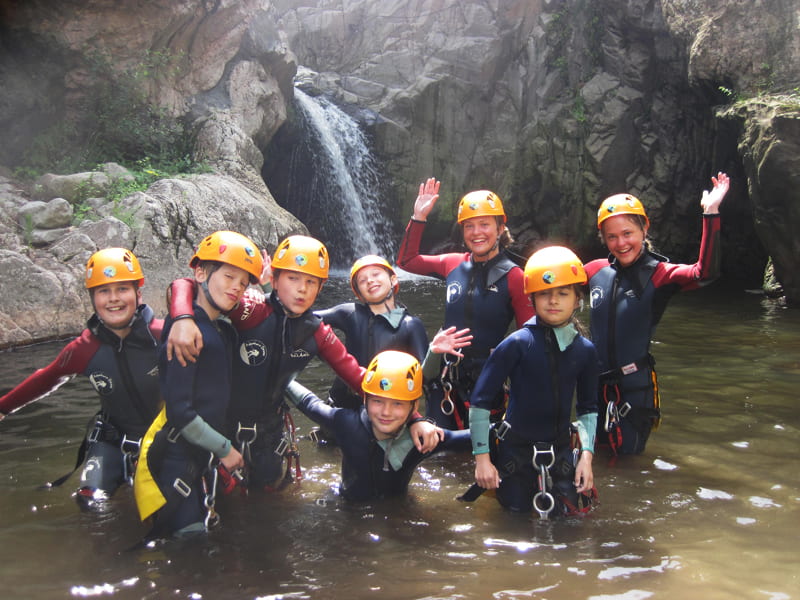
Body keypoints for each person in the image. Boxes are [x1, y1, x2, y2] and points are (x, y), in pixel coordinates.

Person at [165, 235, 441, 491]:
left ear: (321, 287)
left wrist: (415, 418)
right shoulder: (248, 308)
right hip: (219, 428)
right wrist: (182, 318)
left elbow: (360, 378)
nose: (301, 290)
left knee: (268, 512)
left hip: (269, 434)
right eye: (293, 278)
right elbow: (188, 284)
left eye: (311, 282)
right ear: (274, 279)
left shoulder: (317, 333)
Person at [0, 248, 162, 510]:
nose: (113, 299)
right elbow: (47, 379)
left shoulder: (165, 336)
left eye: (122, 289)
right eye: (103, 291)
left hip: (164, 440)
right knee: (90, 504)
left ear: (137, 294)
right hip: (113, 441)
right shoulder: (83, 349)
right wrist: (3, 407)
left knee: (172, 510)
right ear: (92, 299)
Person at [584, 172, 730, 455]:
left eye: (628, 233)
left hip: (634, 387)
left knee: (627, 459)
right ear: (603, 238)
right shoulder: (594, 270)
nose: (621, 243)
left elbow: (705, 272)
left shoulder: (661, 275)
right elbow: (549, 282)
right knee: (595, 460)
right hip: (595, 385)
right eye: (611, 236)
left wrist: (711, 213)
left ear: (644, 230)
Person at [135, 230, 261, 539]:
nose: (236, 287)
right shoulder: (186, 331)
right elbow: (180, 411)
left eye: (243, 283)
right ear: (200, 272)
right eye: (229, 276)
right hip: (179, 460)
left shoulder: (219, 330)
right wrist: (225, 449)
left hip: (200, 457)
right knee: (187, 550)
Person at [469, 246, 599, 518]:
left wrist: (586, 458)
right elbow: (480, 402)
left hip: (561, 452)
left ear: (577, 300)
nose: (553, 301)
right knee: (513, 521)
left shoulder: (585, 350)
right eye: (544, 294)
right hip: (514, 452)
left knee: (567, 524)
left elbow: (588, 408)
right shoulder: (517, 344)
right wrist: (482, 460)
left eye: (563, 293)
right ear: (532, 298)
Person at [397, 179, 534, 429]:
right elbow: (407, 261)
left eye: (484, 224)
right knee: (439, 451)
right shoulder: (453, 263)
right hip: (446, 376)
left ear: (501, 228)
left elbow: (530, 336)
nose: (476, 232)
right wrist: (418, 217)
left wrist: (508, 356)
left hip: (487, 379)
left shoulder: (515, 277)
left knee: (482, 455)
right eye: (469, 226)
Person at [284, 350, 471, 501]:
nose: (386, 412)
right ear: (364, 398)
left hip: (398, 516)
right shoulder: (347, 424)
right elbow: (310, 404)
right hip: (347, 508)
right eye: (378, 401)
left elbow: (469, 438)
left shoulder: (420, 440)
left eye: (397, 403)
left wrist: (498, 431)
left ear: (414, 406)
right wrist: (278, 380)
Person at [315, 255, 429, 411]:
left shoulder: (410, 325)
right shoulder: (349, 313)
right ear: (359, 294)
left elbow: (424, 376)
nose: (369, 280)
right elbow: (303, 318)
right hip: (339, 407)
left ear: (393, 280)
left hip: (385, 410)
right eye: (362, 280)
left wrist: (435, 352)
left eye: (376, 274)